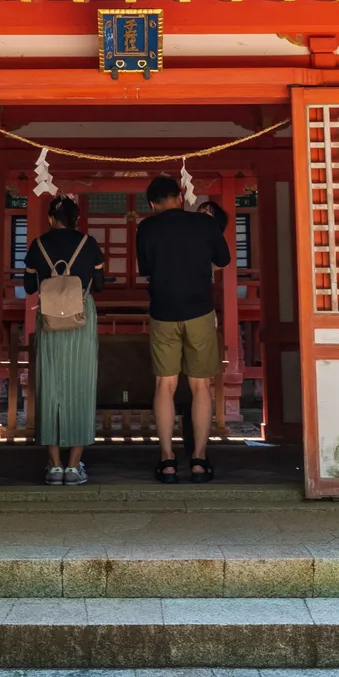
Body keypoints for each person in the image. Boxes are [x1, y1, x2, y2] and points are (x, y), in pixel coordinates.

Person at [136, 176, 230, 483]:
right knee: (200, 387)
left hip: (163, 312)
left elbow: (146, 270)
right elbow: (224, 259)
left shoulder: (146, 228)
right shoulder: (204, 225)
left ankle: (167, 461)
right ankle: (200, 461)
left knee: (165, 386)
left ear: (152, 204)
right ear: (180, 195)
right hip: (199, 311)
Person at [22, 195, 103, 485]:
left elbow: (30, 285)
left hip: (49, 318)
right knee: (80, 386)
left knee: (50, 387)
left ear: (50, 219)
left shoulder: (38, 245)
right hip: (81, 316)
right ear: (76, 219)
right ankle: (73, 465)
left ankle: (54, 466)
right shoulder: (89, 244)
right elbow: (101, 284)